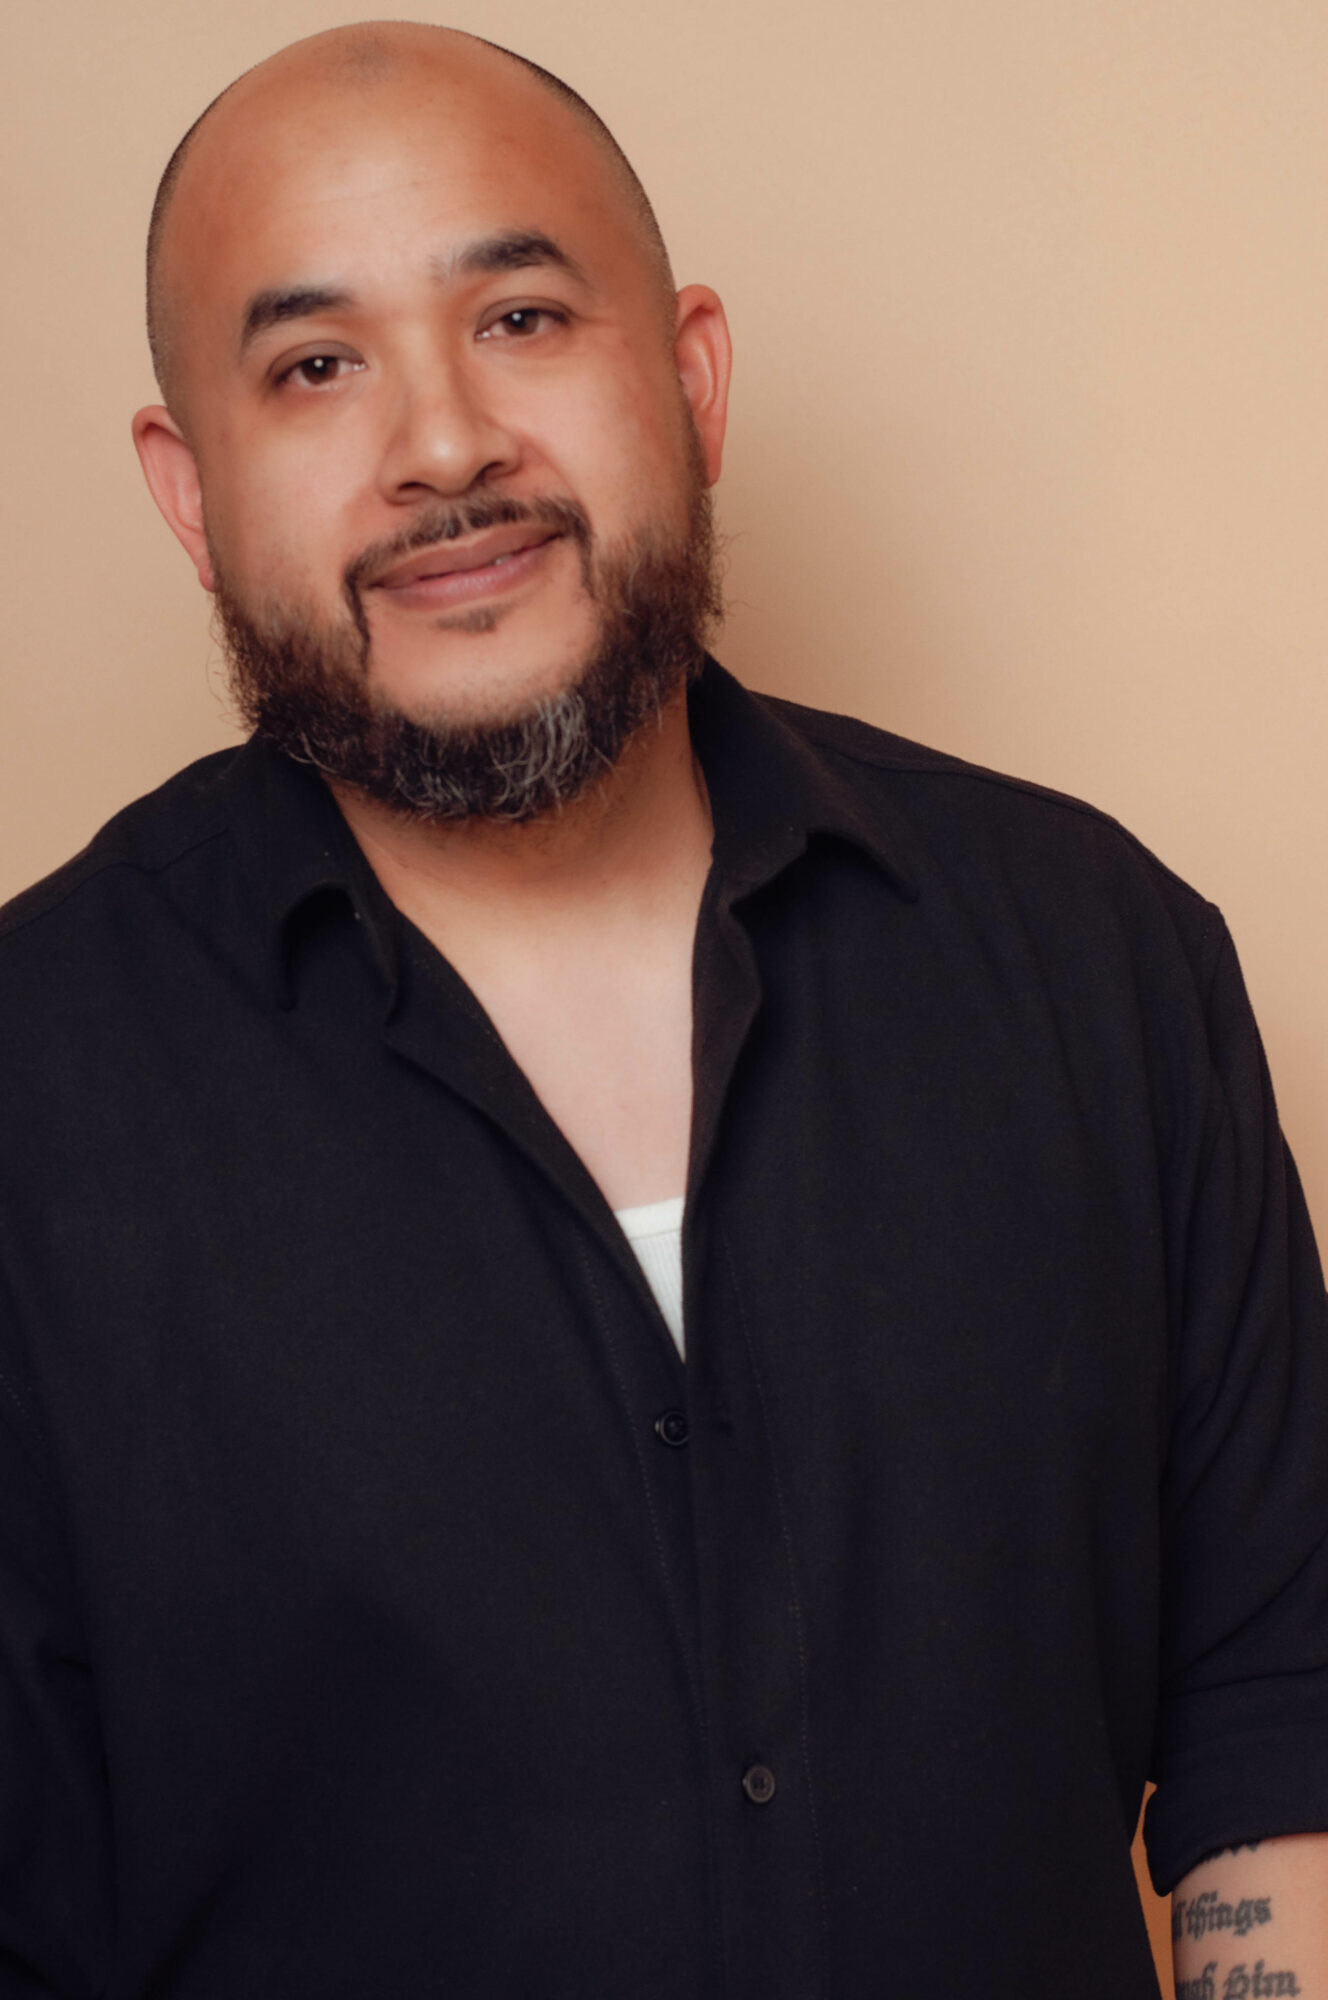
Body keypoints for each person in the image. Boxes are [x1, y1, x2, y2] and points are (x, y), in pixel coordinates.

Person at [1, 20, 1325, 1997]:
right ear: (190, 496)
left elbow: (1269, 1724)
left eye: (522, 315)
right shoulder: (31, 1094)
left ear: (690, 379)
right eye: (314, 365)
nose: (443, 444)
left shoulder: (1099, 959)